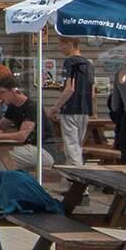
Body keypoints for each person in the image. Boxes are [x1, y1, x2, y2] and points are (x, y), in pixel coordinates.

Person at [0, 74, 51, 176]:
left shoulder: (32, 106)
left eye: (2, 92)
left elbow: (22, 136)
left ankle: (7, 182)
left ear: (13, 91)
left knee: (2, 158)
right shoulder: (13, 106)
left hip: (43, 150)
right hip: (27, 147)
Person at [53, 39, 93, 167]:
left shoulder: (69, 62)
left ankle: (79, 177)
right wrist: (93, 111)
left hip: (70, 109)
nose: (60, 48)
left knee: (71, 148)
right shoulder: (88, 64)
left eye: (61, 45)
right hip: (84, 110)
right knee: (77, 147)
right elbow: (92, 91)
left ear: (70, 44)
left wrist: (55, 108)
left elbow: (69, 88)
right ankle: (70, 177)